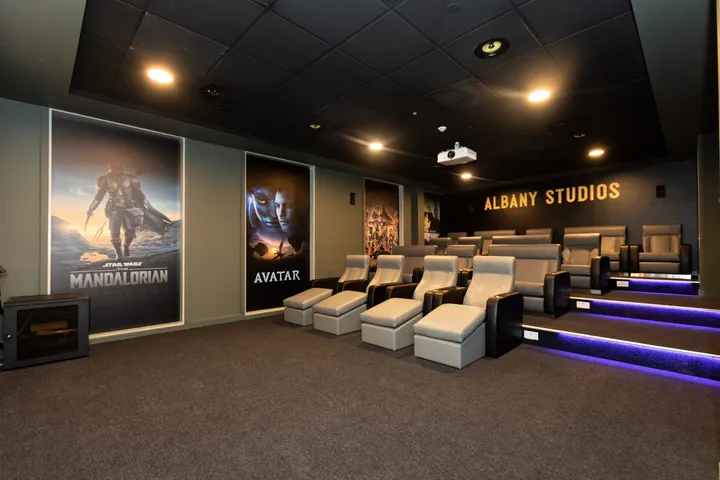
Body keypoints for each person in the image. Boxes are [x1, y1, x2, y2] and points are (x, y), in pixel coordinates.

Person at [86, 160, 145, 260]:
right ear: (110, 167)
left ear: (121, 166)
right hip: (114, 208)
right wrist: (91, 208)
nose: (115, 168)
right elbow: (99, 196)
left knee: (130, 232)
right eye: (113, 166)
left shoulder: (131, 178)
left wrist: (140, 206)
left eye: (117, 166)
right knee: (114, 233)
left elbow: (138, 193)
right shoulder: (105, 179)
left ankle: (126, 247)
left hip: (129, 208)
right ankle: (119, 255)